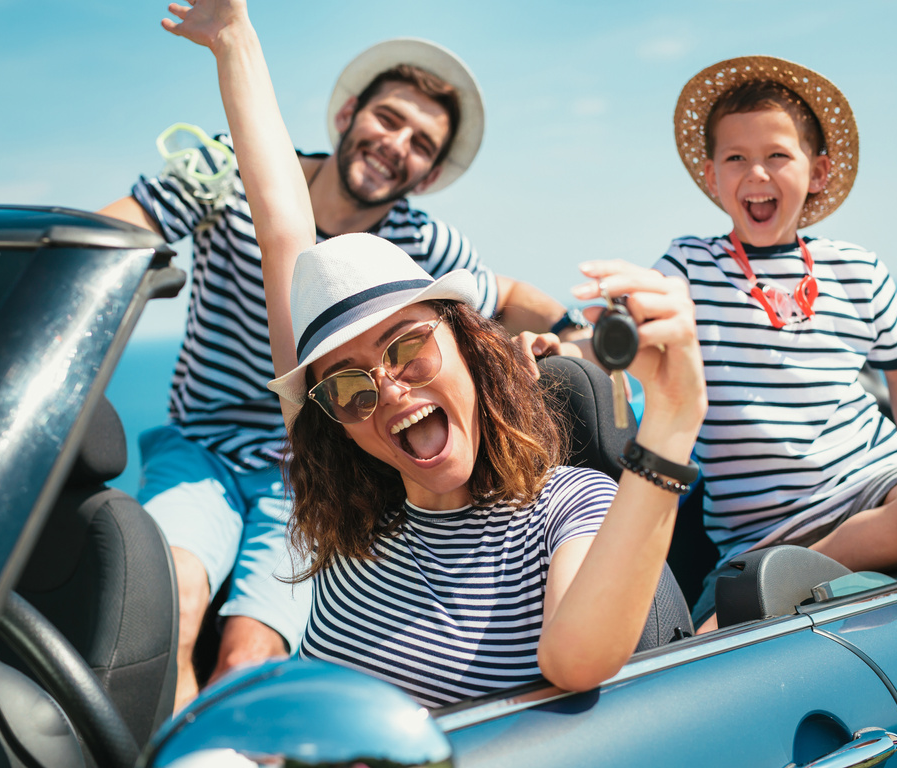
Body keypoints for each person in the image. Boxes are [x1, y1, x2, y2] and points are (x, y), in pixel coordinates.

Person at [160, 0, 707, 707]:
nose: (384, 389)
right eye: (349, 387)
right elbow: (284, 228)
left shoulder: (568, 506)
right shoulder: (352, 518)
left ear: (472, 349)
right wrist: (234, 42)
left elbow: (575, 660)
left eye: (409, 347)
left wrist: (669, 425)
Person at [99, 26, 582, 711]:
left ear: (431, 174)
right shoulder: (223, 177)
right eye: (389, 119)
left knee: (251, 653)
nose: (396, 146)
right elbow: (117, 237)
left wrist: (570, 333)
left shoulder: (419, 240)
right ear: (346, 114)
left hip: (309, 455)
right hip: (204, 445)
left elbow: (501, 294)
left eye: (421, 144)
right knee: (169, 607)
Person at [658, 56, 897, 632]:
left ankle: (800, 574)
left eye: (777, 155)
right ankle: (782, 574)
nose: (756, 172)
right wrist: (586, 332)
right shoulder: (691, 264)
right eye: (736, 158)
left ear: (818, 171)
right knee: (685, 652)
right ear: (712, 178)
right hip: (754, 537)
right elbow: (645, 307)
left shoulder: (855, 268)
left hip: (866, 495)